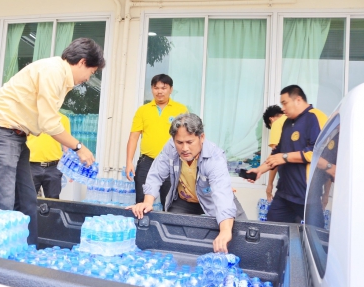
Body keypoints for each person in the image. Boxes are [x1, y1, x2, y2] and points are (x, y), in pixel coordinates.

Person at [0, 38, 105, 245]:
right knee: (1, 206)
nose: (88, 78)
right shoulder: (54, 71)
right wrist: (78, 147)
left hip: (16, 136)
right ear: (82, 62)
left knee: (27, 202)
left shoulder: (59, 77)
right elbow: (49, 123)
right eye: (92, 72)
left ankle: (27, 255)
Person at [127, 113, 247, 253]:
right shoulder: (170, 148)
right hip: (185, 200)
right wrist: (148, 202)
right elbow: (156, 174)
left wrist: (226, 230)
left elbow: (222, 194)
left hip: (214, 200)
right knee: (172, 234)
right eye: (179, 142)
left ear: (201, 137)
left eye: (189, 142)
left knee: (240, 235)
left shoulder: (215, 157)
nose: (184, 148)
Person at [247, 85, 328, 223]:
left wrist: (285, 157)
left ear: (298, 99)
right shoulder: (286, 123)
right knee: (272, 233)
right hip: (284, 194)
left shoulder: (313, 118)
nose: (282, 108)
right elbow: (277, 153)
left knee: (315, 238)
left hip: (307, 196)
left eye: (285, 103)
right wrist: (260, 170)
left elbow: (316, 152)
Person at [125, 74, 188, 206]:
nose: (159, 91)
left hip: (172, 161)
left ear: (171, 89)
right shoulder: (143, 110)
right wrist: (129, 161)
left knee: (171, 204)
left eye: (163, 88)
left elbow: (187, 137)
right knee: (141, 203)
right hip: (147, 162)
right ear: (152, 89)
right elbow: (134, 137)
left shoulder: (181, 110)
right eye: (156, 88)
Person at [26, 112, 70, 198]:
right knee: (27, 200)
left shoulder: (63, 119)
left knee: (53, 202)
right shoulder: (30, 117)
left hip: (53, 167)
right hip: (31, 166)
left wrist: (71, 170)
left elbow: (66, 146)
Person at [262, 105, 287, 202]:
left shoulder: (277, 123)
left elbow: (275, 158)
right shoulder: (296, 122)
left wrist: (269, 185)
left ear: (271, 119)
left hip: (289, 180)